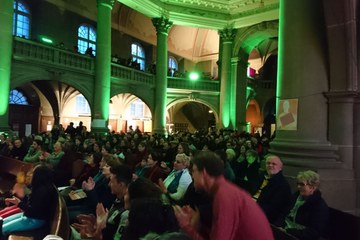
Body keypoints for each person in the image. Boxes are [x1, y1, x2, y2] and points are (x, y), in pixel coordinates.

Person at [173, 151, 274, 240]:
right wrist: (197, 224)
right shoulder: (224, 190)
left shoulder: (224, 196)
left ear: (203, 173)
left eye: (194, 171)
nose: (192, 175)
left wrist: (187, 226)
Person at [2, 165, 57, 238]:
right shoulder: (39, 188)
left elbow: (33, 211)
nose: (30, 175)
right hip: (29, 216)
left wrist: (19, 203)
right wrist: (17, 201)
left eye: (33, 173)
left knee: (2, 229)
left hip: (35, 220)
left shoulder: (43, 192)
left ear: (38, 176)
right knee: (1, 222)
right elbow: (30, 205)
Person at [276, 170, 329, 240]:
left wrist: (288, 231)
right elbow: (283, 214)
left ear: (312, 187)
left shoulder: (319, 206)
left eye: (302, 184)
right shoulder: (295, 196)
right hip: (284, 231)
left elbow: (313, 232)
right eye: (298, 183)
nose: (298, 187)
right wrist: (278, 226)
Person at [252, 154, 292, 223]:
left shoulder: (282, 185)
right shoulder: (261, 176)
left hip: (262, 216)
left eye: (274, 164)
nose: (270, 165)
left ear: (280, 167)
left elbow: (272, 209)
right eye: (268, 163)